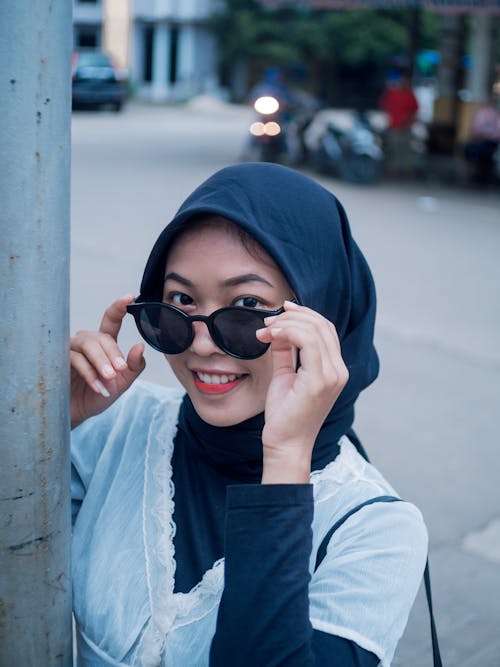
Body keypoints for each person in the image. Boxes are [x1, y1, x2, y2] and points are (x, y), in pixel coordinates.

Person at [70, 163, 428, 666]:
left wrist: (283, 459)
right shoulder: (110, 429)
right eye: (180, 300)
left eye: (246, 304)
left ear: (323, 318)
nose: (200, 341)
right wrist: (43, 422)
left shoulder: (374, 532)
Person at [379, 74, 419, 178]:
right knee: (394, 149)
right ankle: (393, 171)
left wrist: (409, 119)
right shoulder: (392, 93)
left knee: (406, 149)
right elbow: (383, 103)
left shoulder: (410, 94)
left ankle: (407, 172)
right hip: (394, 126)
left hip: (406, 127)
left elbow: (415, 109)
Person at [463, 98, 500, 184]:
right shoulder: (481, 113)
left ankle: (479, 176)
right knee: (468, 149)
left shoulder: (494, 114)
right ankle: (473, 175)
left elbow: (497, 132)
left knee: (480, 152)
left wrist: (487, 135)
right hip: (480, 141)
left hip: (491, 142)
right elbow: (474, 130)